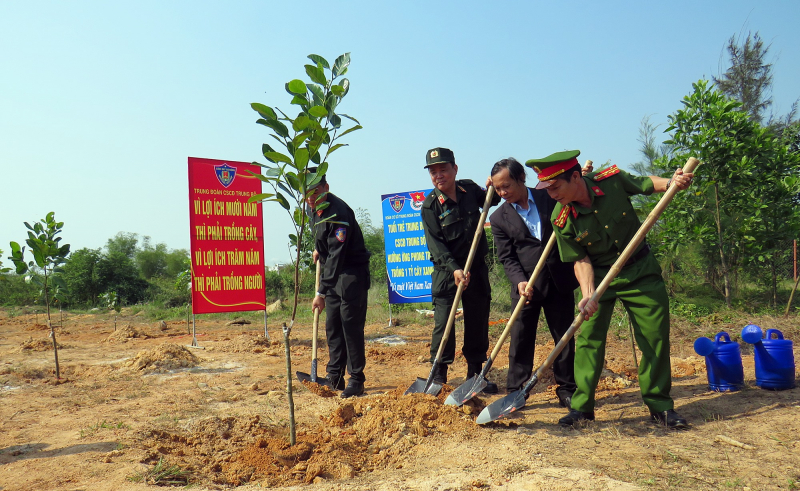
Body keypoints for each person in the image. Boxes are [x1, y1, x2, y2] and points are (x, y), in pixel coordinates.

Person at [528, 150, 693, 429]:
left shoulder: (611, 181)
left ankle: (660, 406)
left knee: (654, 339)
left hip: (639, 271)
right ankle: (582, 409)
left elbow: (646, 184)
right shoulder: (561, 217)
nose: (551, 194)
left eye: (555, 186)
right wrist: (589, 293)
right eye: (547, 188)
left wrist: (671, 182)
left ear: (576, 176)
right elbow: (580, 259)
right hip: (599, 277)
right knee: (589, 339)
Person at [488, 158, 578, 409]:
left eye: (506, 186)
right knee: (520, 338)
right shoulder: (499, 218)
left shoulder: (549, 197)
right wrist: (519, 282)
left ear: (521, 179)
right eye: (497, 189)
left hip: (559, 279)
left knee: (563, 337)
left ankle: (567, 388)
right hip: (526, 286)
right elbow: (507, 257)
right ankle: (516, 391)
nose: (503, 192)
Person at [420, 147, 501, 392]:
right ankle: (439, 375)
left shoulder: (469, 189)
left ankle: (475, 374)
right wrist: (455, 269)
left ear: (454, 169)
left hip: (475, 270)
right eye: (433, 172)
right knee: (444, 325)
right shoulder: (430, 207)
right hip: (448, 274)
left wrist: (491, 188)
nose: (438, 176)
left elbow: (493, 200)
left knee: (477, 321)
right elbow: (436, 246)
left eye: (443, 170)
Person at [308, 168, 371, 398]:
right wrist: (319, 248)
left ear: (326, 188)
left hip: (351, 273)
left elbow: (337, 255)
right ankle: (335, 376)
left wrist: (321, 292)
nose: (310, 198)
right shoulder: (312, 207)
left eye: (315, 191)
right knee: (333, 325)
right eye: (306, 193)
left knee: (350, 327)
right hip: (332, 273)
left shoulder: (338, 212)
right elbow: (325, 240)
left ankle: (357, 380)